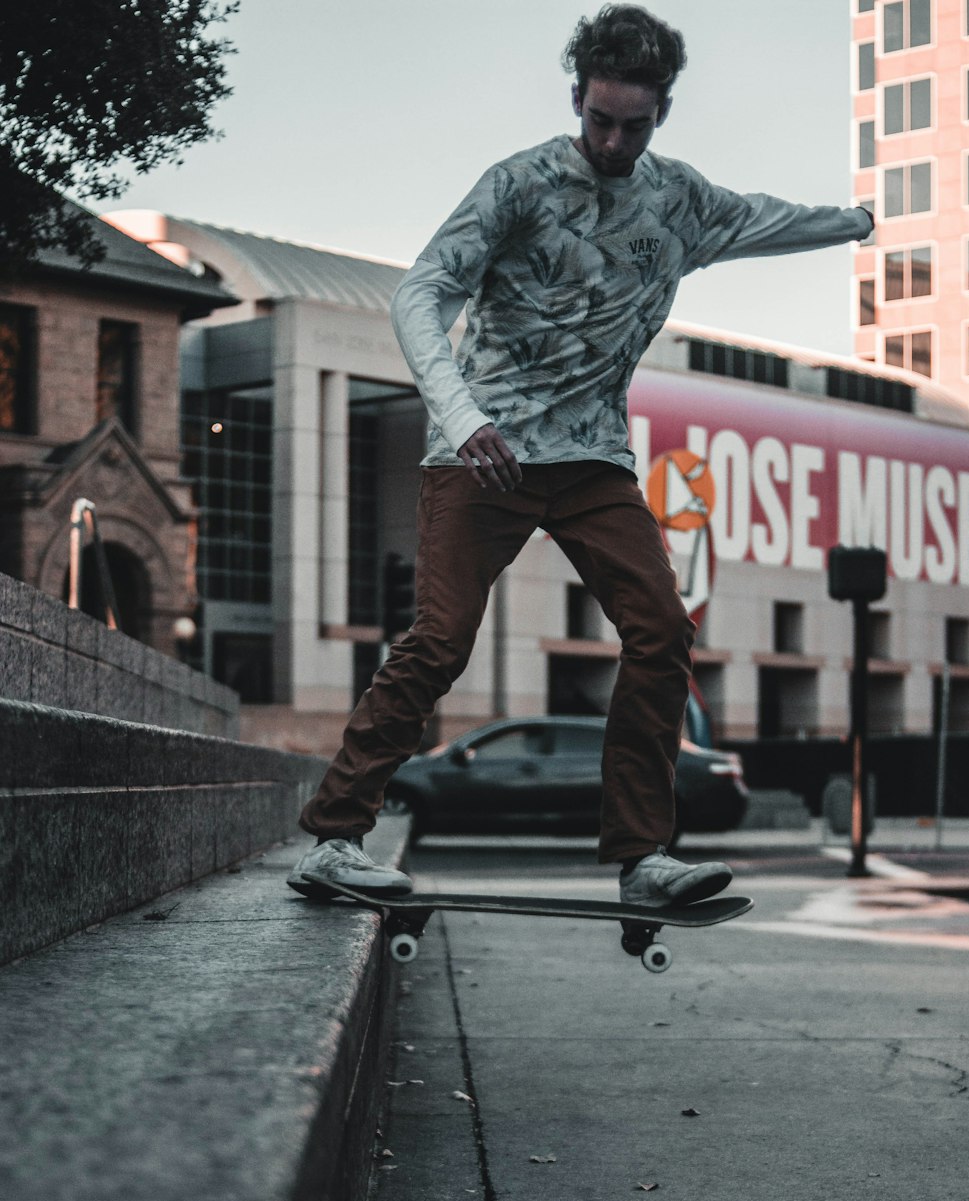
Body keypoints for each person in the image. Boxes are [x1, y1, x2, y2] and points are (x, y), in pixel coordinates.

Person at [289, 4, 873, 908]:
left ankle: (643, 857)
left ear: (660, 114)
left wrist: (862, 220)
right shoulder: (517, 185)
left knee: (663, 629)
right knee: (442, 638)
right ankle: (334, 837)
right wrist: (459, 408)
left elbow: (767, 219)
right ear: (577, 98)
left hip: (592, 461)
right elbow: (421, 292)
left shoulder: (678, 200)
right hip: (480, 453)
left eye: (632, 124)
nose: (612, 139)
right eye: (599, 118)